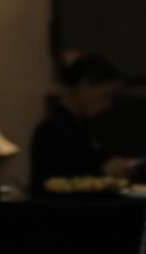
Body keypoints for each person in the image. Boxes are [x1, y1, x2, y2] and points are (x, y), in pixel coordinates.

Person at [29, 53, 133, 191]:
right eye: (106, 96)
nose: (108, 105)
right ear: (84, 85)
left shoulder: (86, 127)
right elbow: (52, 182)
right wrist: (103, 172)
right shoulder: (51, 130)